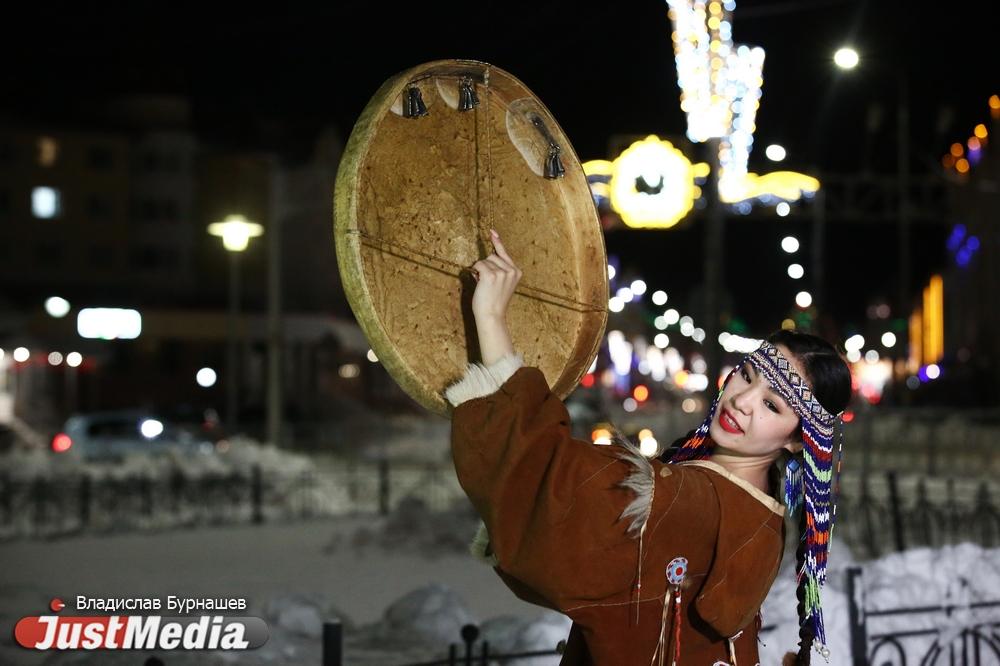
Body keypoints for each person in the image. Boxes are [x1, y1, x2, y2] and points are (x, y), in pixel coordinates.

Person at [445, 230, 851, 665]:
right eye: (747, 375)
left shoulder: (691, 502)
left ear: (796, 439)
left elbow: (549, 483)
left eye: (772, 405)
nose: (741, 400)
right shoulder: (761, 511)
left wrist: (490, 320)